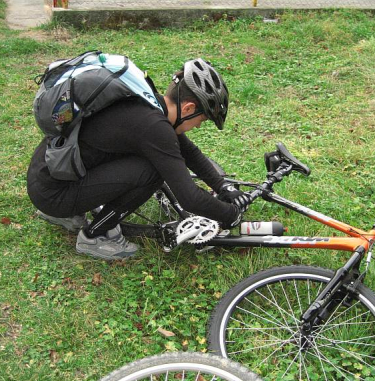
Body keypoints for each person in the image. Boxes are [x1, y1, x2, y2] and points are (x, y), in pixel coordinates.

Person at [27, 58, 251, 260]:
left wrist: (223, 187)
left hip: (45, 174)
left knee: (145, 162)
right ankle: (94, 236)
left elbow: (189, 152)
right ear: (188, 108)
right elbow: (190, 199)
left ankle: (69, 213)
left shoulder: (146, 101)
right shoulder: (154, 127)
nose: (198, 126)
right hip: (54, 196)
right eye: (201, 120)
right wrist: (231, 215)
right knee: (152, 172)